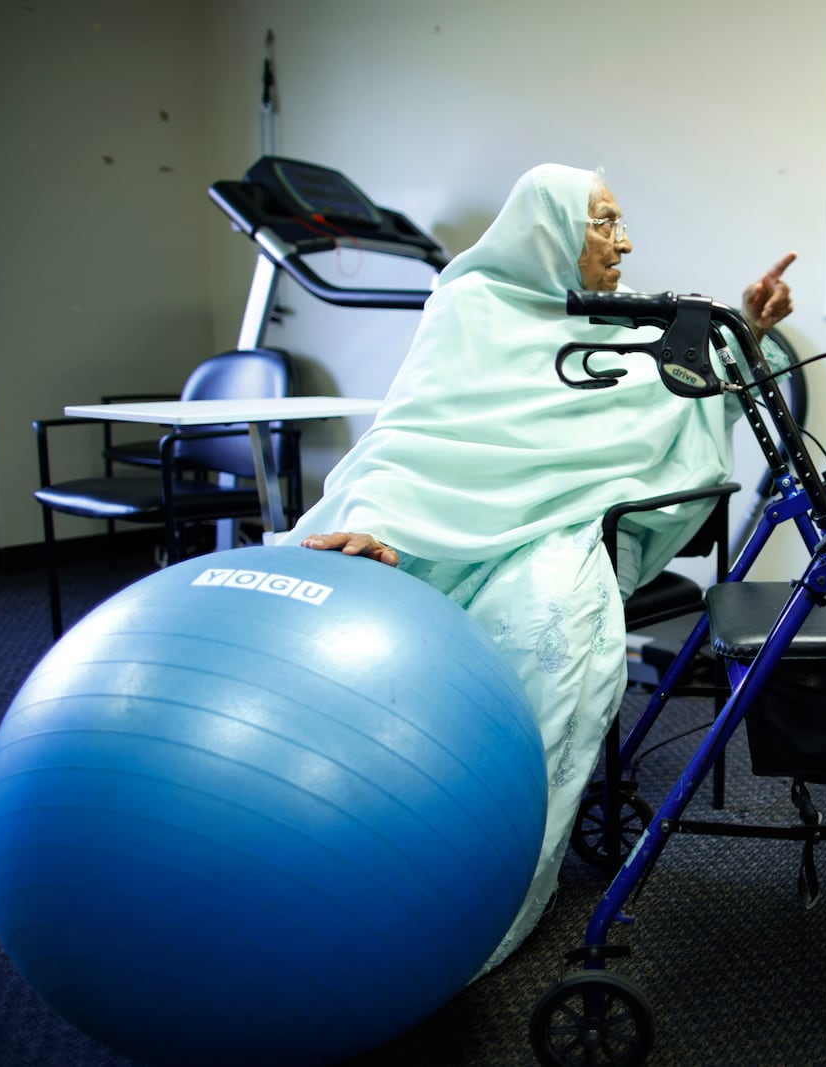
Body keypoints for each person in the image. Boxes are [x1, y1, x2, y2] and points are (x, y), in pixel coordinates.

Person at [282, 163, 796, 972]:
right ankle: (318, 844)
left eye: (622, 222)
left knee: (544, 631)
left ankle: (473, 877)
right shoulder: (467, 307)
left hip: (564, 528)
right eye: (601, 221)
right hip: (423, 528)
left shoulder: (624, 329)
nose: (623, 241)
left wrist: (747, 330)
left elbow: (675, 408)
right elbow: (411, 435)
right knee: (349, 618)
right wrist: (371, 522)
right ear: (548, 228)